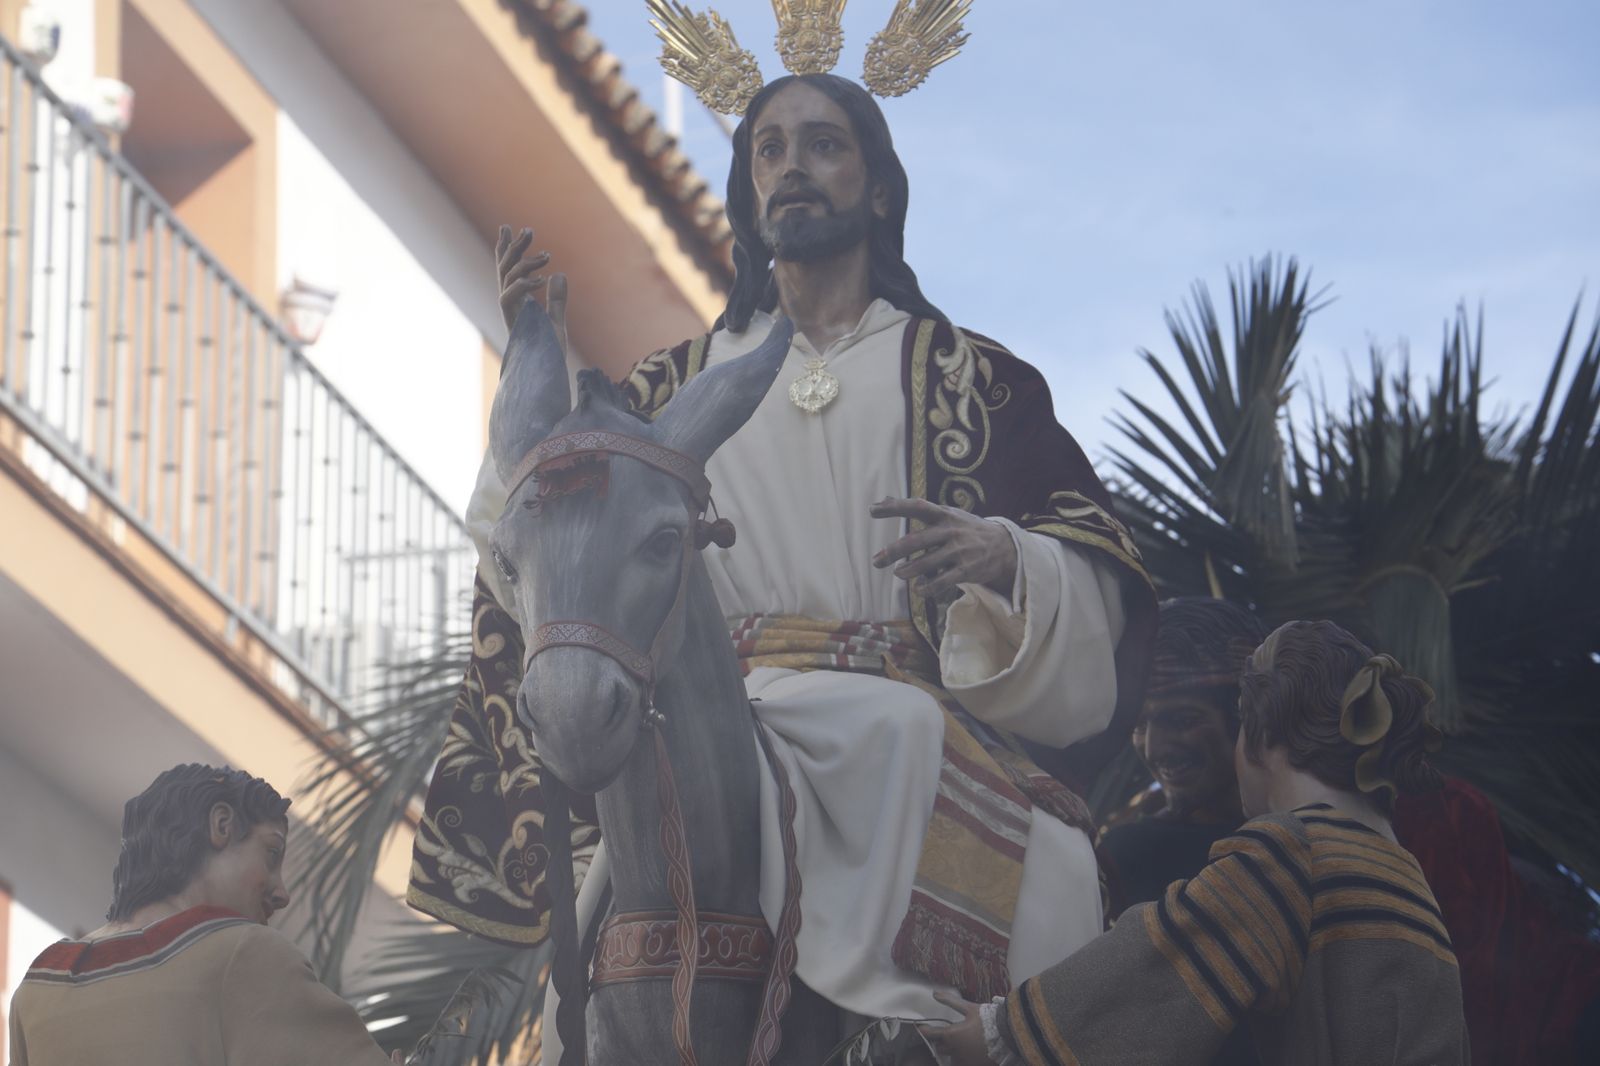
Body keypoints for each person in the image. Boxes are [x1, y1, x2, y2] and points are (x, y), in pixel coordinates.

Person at [407, 64, 1156, 1050]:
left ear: (878, 188)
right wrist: (529, 391)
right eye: (769, 148)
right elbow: (539, 536)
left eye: (823, 144)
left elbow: (1092, 567)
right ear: (746, 191)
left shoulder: (971, 378)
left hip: (898, 715)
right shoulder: (666, 387)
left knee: (1048, 860)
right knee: (577, 984)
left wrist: (1006, 559)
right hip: (711, 714)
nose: (792, 167)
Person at [928, 620, 1469, 1066]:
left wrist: (1004, 1034)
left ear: (1258, 732)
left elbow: (1176, 950)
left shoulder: (1293, 851)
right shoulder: (1402, 871)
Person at [7, 764, 402, 1066]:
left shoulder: (39, 987)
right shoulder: (245, 954)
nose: (281, 893)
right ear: (221, 825)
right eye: (271, 855)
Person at [1098, 598, 1269, 917]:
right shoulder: (1125, 858)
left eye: (1182, 720)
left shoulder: (1311, 844)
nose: (1153, 749)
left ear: (1247, 717)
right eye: (1139, 725)